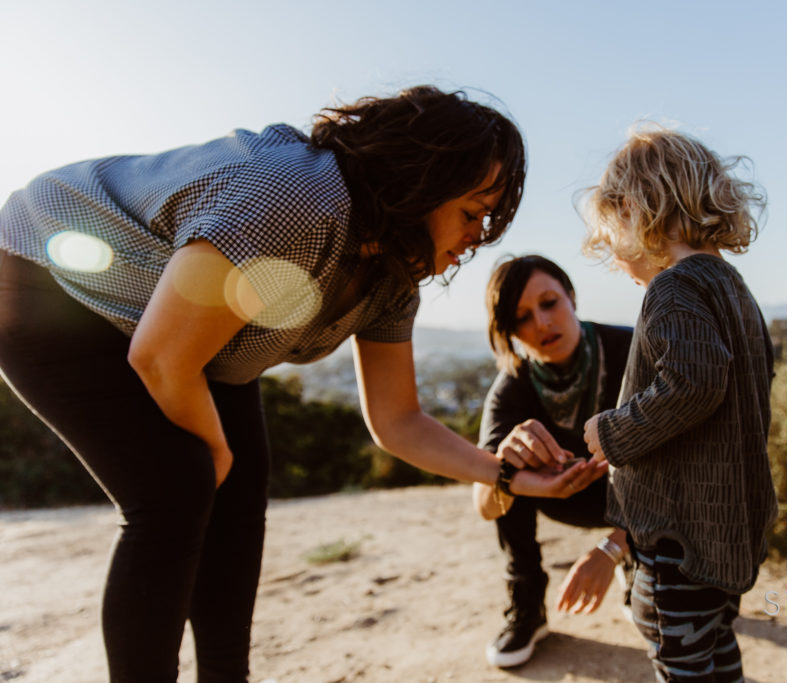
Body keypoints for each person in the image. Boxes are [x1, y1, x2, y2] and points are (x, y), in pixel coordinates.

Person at [0, 85, 600, 683]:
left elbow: (397, 420)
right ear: (422, 177)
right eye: (472, 213)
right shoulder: (301, 196)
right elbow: (161, 357)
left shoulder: (392, 280)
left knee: (239, 502)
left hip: (189, 339)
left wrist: (508, 475)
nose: (477, 236)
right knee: (178, 490)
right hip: (46, 283)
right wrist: (212, 449)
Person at [579, 124, 777, 683]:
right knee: (715, 645)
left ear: (635, 210)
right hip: (729, 526)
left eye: (613, 230)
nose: (617, 257)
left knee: (679, 656)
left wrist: (613, 433)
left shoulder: (672, 288)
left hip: (681, 531)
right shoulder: (736, 289)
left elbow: (693, 382)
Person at [471, 254, 633, 668]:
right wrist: (505, 468)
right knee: (508, 468)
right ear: (509, 331)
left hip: (640, 502)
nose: (542, 323)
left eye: (549, 303)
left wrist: (611, 548)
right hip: (563, 499)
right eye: (522, 317)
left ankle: (639, 562)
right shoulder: (510, 389)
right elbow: (484, 507)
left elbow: (684, 466)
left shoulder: (631, 351)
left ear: (572, 297)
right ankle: (527, 606)